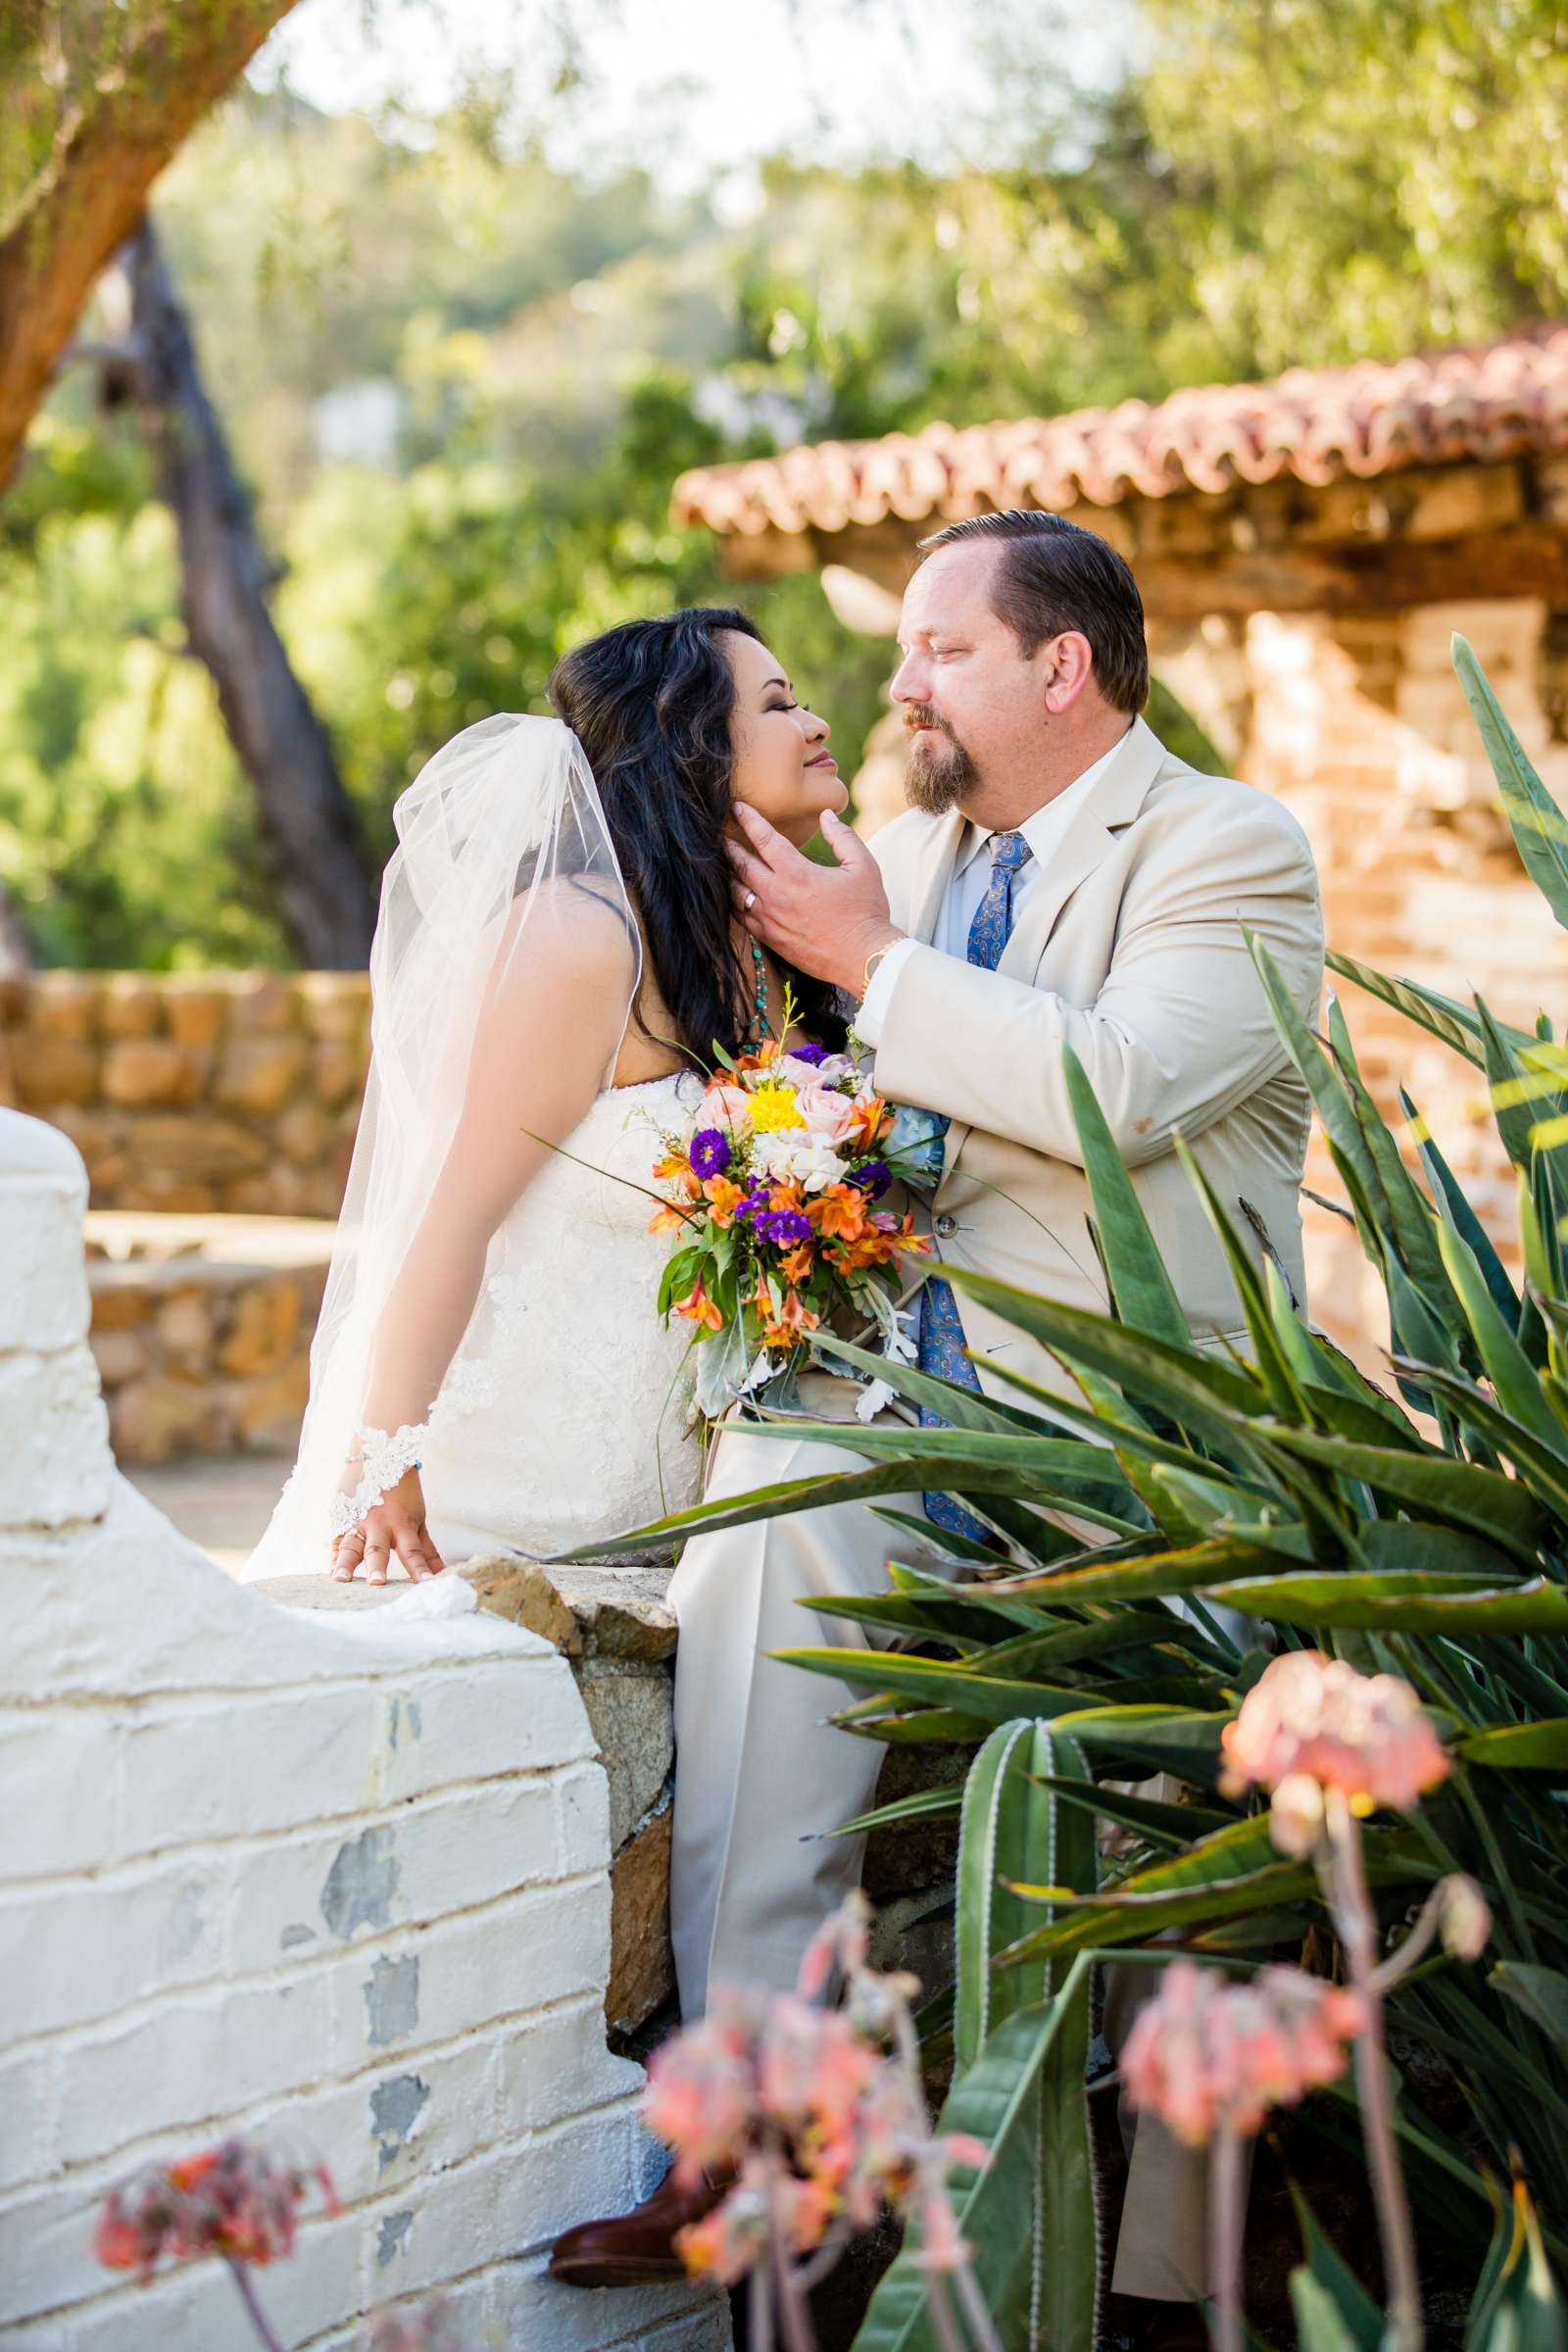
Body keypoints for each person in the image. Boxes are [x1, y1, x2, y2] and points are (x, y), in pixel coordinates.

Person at [549, 511, 1324, 2339]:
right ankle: (756, 2119)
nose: (895, 687)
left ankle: (1172, 2283)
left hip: (1145, 1449)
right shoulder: (894, 849)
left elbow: (1121, 1085)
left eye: (937, 649)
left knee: (1171, 1839)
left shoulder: (1228, 845)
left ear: (1062, 668)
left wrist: (877, 967)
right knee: (769, 1508)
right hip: (905, 1413)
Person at [244, 608, 850, 1585]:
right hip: (519, 1495)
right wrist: (385, 1463)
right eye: (778, 705)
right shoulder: (576, 935)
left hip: (706, 1499)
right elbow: (451, 1215)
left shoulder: (774, 947)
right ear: (685, 741)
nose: (816, 723)